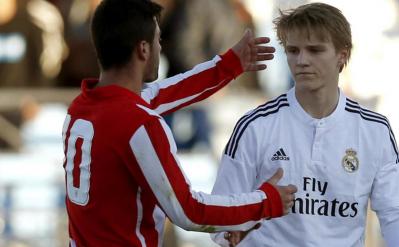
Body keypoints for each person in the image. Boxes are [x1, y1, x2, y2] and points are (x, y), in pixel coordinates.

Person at [61, 0, 297, 246]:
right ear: (143, 49)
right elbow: (189, 211)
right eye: (157, 40)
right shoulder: (141, 124)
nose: (160, 46)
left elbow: (163, 93)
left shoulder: (81, 107)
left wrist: (229, 65)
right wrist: (265, 202)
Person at [210, 3, 399, 247]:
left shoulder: (374, 130)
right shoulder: (255, 125)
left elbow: (395, 215)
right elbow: (220, 218)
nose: (302, 60)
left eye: (315, 50)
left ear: (342, 54)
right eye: (293, 50)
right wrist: (237, 228)